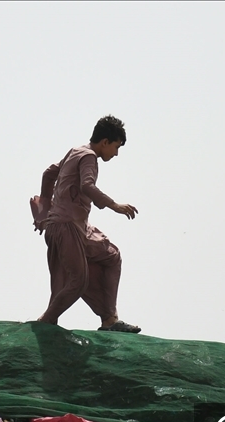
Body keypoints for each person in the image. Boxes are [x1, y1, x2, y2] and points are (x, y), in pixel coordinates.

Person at [31, 115, 141, 332]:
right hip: (66, 226)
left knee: (111, 255)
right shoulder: (89, 156)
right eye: (116, 147)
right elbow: (87, 186)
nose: (116, 153)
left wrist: (44, 210)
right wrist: (114, 205)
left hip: (74, 227)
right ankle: (45, 322)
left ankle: (110, 319)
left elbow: (48, 174)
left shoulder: (75, 151)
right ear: (105, 142)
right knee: (77, 281)